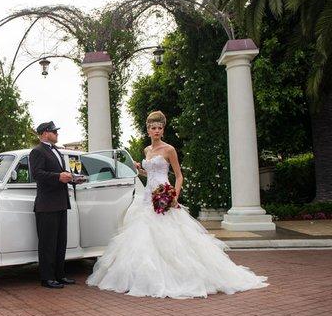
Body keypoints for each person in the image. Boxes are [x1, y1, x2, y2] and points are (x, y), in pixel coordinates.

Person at [87, 111, 268, 298]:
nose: (156, 131)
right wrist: (140, 169)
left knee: (172, 237)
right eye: (153, 128)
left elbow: (179, 176)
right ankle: (143, 279)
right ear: (148, 131)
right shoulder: (146, 151)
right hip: (148, 197)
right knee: (143, 237)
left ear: (163, 130)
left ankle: (183, 277)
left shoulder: (169, 150)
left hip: (165, 195)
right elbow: (150, 175)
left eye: (159, 128)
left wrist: (174, 196)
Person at [30, 121, 76, 289]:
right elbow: (37, 174)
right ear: (44, 133)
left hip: (61, 202)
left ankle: (59, 275)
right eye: (54, 131)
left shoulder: (56, 150)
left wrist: (72, 178)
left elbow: (59, 173)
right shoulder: (37, 151)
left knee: (60, 242)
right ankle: (47, 278)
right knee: (47, 243)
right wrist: (58, 176)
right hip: (46, 204)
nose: (57, 134)